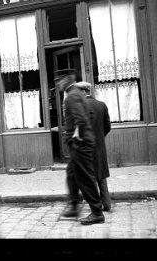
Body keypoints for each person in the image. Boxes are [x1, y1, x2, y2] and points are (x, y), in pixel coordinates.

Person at [56, 70, 105, 225]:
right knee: (71, 173)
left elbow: (82, 121)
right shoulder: (76, 93)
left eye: (59, 80)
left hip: (81, 145)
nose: (57, 83)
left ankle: (97, 212)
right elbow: (86, 117)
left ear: (67, 80)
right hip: (82, 143)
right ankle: (74, 205)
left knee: (85, 178)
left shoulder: (72, 96)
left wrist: (77, 140)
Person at [74, 81, 112, 212]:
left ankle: (96, 207)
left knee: (89, 177)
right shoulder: (102, 105)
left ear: (84, 92)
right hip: (100, 147)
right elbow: (107, 126)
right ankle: (107, 204)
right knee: (101, 176)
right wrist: (100, 137)